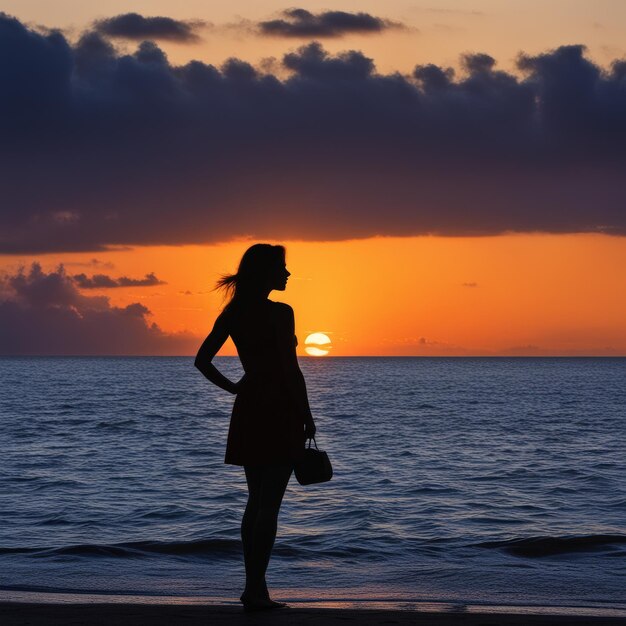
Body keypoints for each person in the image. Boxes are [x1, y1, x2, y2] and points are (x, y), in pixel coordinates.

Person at [194, 243, 316, 611]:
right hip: (279, 409)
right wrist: (308, 415)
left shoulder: (234, 312)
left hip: (249, 408)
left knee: (255, 501)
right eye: (282, 267)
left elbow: (202, 361)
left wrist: (235, 387)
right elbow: (291, 371)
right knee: (269, 506)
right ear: (265, 272)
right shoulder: (281, 313)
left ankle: (254, 588)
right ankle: (256, 591)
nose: (287, 273)